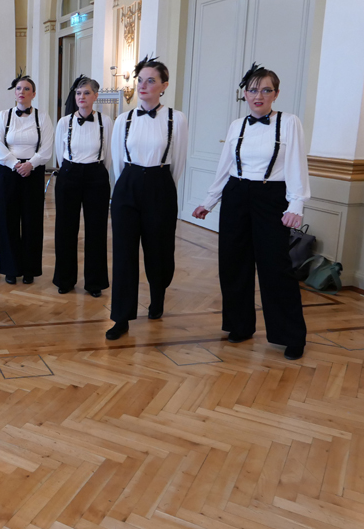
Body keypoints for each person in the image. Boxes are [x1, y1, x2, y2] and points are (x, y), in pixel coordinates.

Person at [193, 64, 309, 360]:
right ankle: (240, 325)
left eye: (266, 90)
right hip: (236, 194)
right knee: (233, 263)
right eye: (253, 90)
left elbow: (297, 164)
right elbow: (225, 166)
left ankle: (290, 335)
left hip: (272, 197)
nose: (259, 96)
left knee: (276, 267)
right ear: (244, 94)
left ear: (276, 94)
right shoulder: (237, 125)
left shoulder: (289, 122)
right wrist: (209, 201)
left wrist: (296, 204)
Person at [106, 56, 188, 340]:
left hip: (160, 185)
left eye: (150, 80)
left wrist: (160, 187)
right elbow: (118, 162)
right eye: (140, 80)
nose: (142, 86)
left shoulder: (177, 119)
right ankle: (121, 317)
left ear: (164, 85)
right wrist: (128, 186)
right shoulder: (123, 119)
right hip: (127, 186)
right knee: (124, 254)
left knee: (159, 250)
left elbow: (178, 162)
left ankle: (157, 297)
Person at [52, 75, 113, 297]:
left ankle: (94, 282)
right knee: (65, 228)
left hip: (96, 176)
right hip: (69, 174)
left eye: (86, 93)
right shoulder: (64, 122)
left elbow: (109, 154)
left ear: (95, 96)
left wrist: (96, 172)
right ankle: (65, 279)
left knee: (96, 229)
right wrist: (71, 170)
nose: (81, 97)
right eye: (78, 93)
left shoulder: (106, 122)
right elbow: (60, 152)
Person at [0, 74, 55, 285]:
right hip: (8, 172)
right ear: (15, 93)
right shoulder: (3, 116)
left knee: (32, 221)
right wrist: (15, 164)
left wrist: (31, 164)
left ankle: (30, 269)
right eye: (19, 88)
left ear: (33, 94)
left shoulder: (42, 117)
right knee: (8, 220)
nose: (22, 92)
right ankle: (11, 268)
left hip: (33, 172)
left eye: (26, 89)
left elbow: (47, 147)